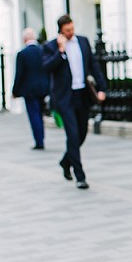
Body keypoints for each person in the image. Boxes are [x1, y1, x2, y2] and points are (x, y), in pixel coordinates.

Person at [42, 15, 106, 189]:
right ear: (60, 31)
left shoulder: (83, 42)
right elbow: (46, 67)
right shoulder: (51, 46)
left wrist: (102, 88)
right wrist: (60, 51)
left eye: (72, 29)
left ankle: (65, 161)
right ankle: (80, 176)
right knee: (72, 134)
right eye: (66, 31)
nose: (70, 33)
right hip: (64, 98)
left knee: (82, 133)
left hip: (82, 95)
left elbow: (94, 66)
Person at [12, 28, 50, 150]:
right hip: (43, 88)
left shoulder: (22, 54)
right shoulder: (42, 51)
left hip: (30, 90)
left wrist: (15, 91)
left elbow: (19, 74)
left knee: (34, 115)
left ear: (24, 39)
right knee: (40, 113)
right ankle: (41, 137)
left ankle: (39, 141)